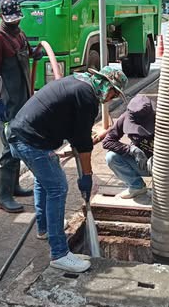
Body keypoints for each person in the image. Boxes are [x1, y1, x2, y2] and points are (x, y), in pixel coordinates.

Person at [8, 66, 128, 273]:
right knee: (58, 188)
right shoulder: (87, 97)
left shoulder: (78, 82)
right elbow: (82, 143)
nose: (112, 98)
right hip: (31, 142)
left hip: (18, 134)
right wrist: (87, 175)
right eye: (114, 93)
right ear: (107, 86)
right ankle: (60, 254)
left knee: (43, 180)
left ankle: (45, 228)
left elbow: (74, 130)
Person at [0, 0, 42, 213]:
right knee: (9, 147)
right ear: (1, 17)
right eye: (11, 20)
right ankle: (3, 196)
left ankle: (14, 186)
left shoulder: (20, 34)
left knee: (20, 141)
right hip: (8, 101)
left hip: (23, 98)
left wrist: (35, 54)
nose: (15, 22)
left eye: (17, 19)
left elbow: (28, 53)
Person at [102, 95, 169, 199]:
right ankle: (136, 187)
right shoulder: (125, 117)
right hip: (140, 163)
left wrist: (161, 158)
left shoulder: (166, 120)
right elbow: (107, 141)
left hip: (165, 167)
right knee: (111, 157)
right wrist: (131, 150)